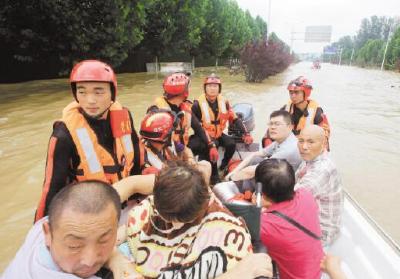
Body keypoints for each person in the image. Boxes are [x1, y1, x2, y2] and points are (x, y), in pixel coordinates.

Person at [115, 160, 273, 278]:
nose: (175, 226)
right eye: (167, 218)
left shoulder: (226, 230)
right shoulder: (160, 194)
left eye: (181, 220)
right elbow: (125, 229)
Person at [35, 60, 143, 222]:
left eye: (98, 92)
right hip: (88, 214)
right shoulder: (63, 135)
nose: (90, 100)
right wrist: (41, 229)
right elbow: (51, 190)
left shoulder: (124, 116)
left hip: (124, 201)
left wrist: (138, 197)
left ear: (112, 93)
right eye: (82, 91)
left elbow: (136, 161)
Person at [3, 180, 122, 278]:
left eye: (104, 240)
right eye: (74, 246)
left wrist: (115, 258)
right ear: (48, 233)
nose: (89, 261)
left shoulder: (39, 229)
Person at [254, 158, 324, 279]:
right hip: (316, 273)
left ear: (262, 193)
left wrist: (257, 207)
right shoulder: (305, 195)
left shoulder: (264, 226)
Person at [190, 74, 253, 184]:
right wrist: (210, 144)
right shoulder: (196, 105)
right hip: (203, 136)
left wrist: (246, 133)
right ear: (205, 88)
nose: (212, 88)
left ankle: (223, 165)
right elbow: (195, 125)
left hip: (218, 134)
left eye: (215, 86)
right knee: (212, 148)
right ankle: (214, 175)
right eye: (209, 86)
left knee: (231, 144)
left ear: (219, 88)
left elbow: (235, 119)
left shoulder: (224, 102)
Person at [295, 125, 343, 246]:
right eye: (301, 141)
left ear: (323, 144)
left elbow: (293, 198)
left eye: (311, 142)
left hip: (321, 233)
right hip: (308, 219)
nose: (304, 147)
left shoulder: (322, 169)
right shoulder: (310, 159)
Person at [226, 110, 302, 182]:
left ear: (290, 127)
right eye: (271, 124)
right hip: (279, 176)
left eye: (277, 124)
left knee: (252, 172)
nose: (272, 127)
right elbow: (255, 154)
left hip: (286, 185)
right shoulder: (282, 140)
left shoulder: (288, 149)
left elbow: (252, 171)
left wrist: (230, 178)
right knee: (255, 159)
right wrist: (234, 171)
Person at [148, 72, 210, 157]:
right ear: (183, 92)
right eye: (187, 88)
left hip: (182, 148)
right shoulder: (156, 110)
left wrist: (211, 145)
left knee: (204, 144)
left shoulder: (185, 107)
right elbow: (152, 141)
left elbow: (198, 129)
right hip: (166, 153)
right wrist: (177, 146)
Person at [139, 109, 211, 181]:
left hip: (176, 175)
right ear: (167, 136)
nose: (177, 134)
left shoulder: (169, 143)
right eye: (175, 131)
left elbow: (186, 149)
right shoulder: (147, 161)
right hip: (169, 185)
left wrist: (190, 159)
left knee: (206, 164)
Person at [262, 76, 330, 149]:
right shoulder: (285, 109)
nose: (292, 96)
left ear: (306, 93)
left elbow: (324, 137)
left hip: (306, 149)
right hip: (286, 146)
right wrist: (268, 148)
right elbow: (272, 129)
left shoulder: (317, 113)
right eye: (291, 92)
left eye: (296, 92)